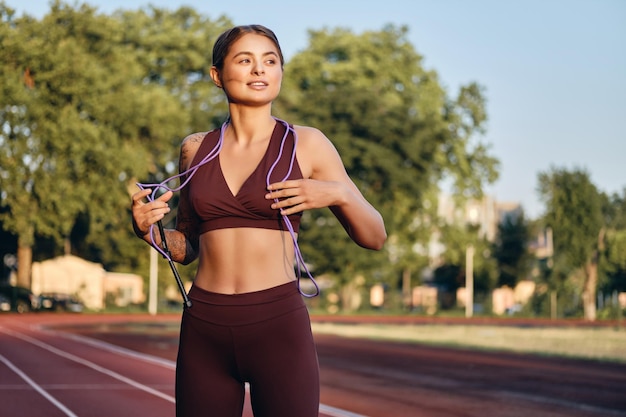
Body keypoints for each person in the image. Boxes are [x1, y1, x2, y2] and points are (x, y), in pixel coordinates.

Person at [131, 24, 386, 417]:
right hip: (204, 328)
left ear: (281, 72)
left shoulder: (307, 143)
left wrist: (338, 192)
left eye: (270, 61)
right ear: (217, 75)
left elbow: (375, 237)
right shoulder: (195, 149)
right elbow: (188, 246)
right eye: (244, 60)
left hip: (278, 326)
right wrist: (148, 230)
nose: (259, 71)